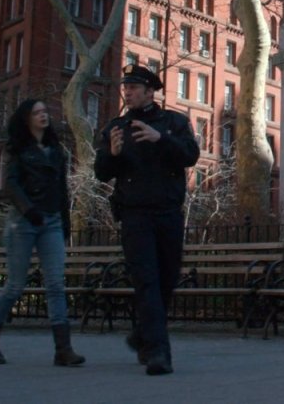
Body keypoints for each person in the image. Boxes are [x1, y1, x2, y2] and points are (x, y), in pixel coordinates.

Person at [94, 64, 199, 376]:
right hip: (134, 214)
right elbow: (101, 172)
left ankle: (143, 334)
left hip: (168, 212)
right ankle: (158, 353)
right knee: (147, 281)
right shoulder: (116, 127)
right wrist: (112, 153)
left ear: (151, 91)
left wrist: (160, 138)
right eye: (125, 87)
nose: (127, 92)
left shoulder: (174, 122)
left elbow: (190, 155)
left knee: (167, 279)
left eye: (134, 87)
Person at [0, 99, 85, 367]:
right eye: (37, 112)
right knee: (15, 286)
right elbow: (12, 185)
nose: (43, 116)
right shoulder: (17, 149)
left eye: (45, 111)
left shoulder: (55, 150)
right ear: (26, 119)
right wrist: (29, 211)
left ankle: (63, 348)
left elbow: (62, 190)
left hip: (51, 221)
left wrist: (64, 222)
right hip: (23, 223)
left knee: (55, 285)